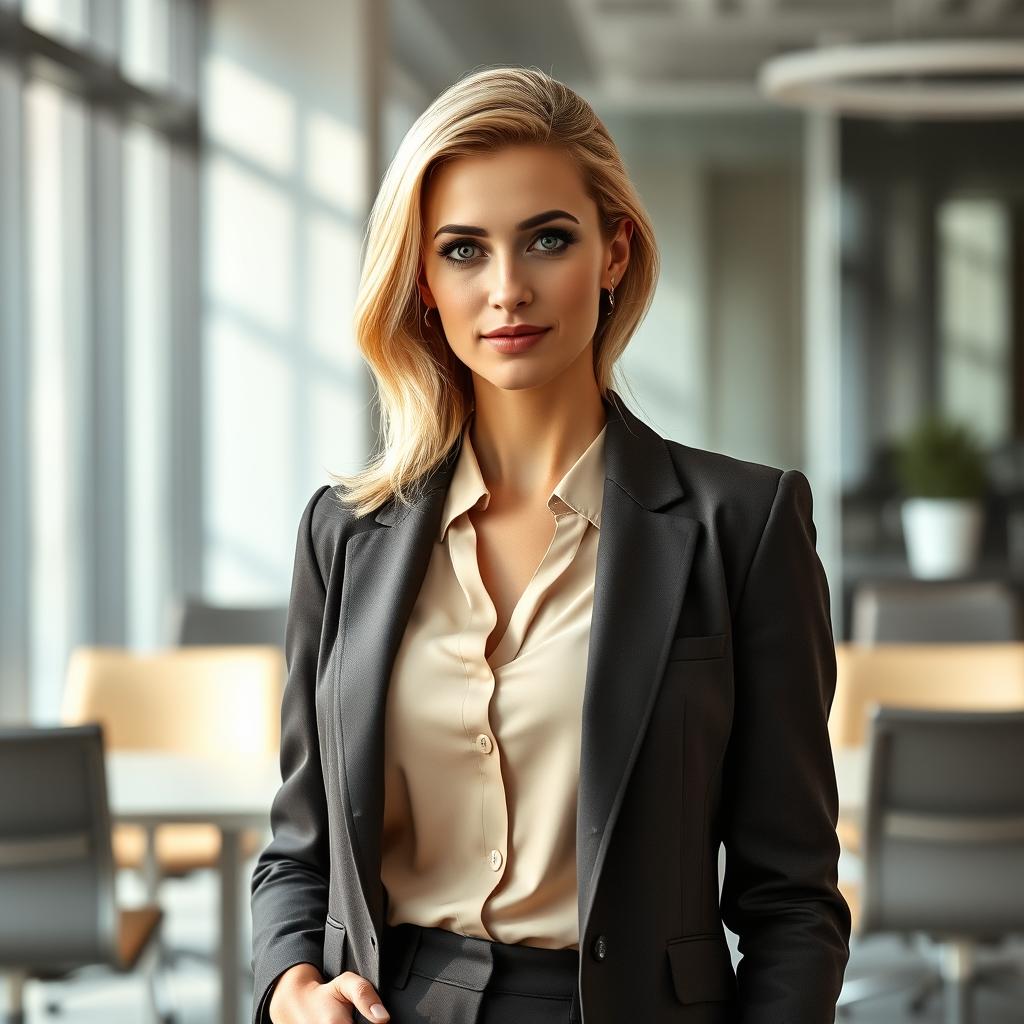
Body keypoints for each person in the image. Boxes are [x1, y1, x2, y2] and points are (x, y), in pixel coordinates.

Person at [250, 65, 851, 1024]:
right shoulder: (346, 531)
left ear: (613, 253)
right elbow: (298, 848)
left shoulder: (743, 524)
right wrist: (289, 990)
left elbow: (793, 901)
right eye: (462, 250)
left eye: (547, 239)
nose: (507, 290)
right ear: (421, 281)